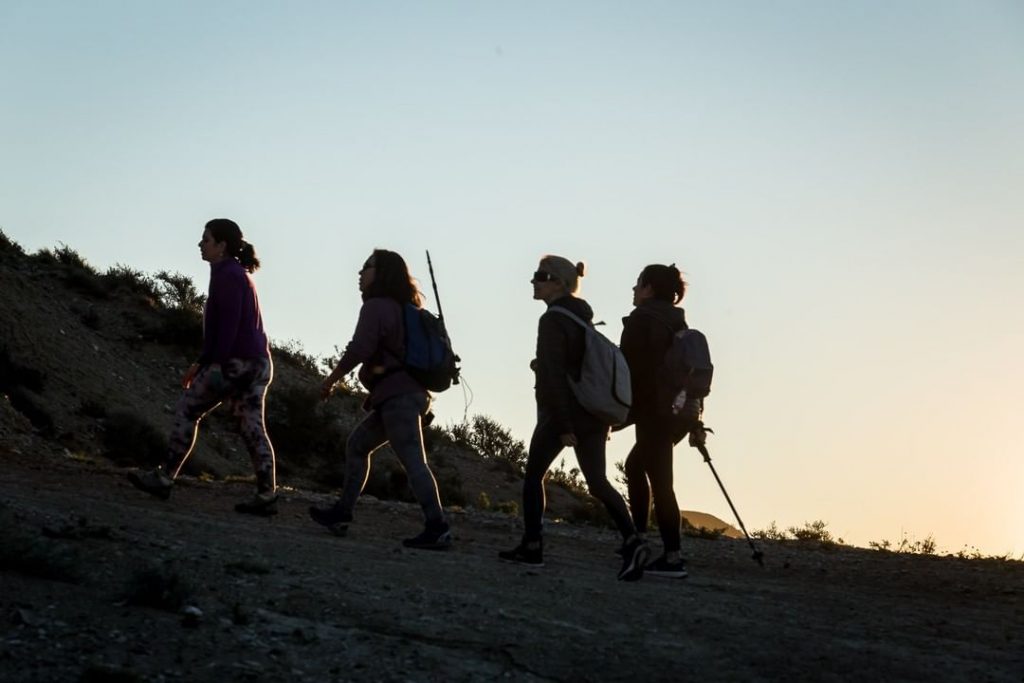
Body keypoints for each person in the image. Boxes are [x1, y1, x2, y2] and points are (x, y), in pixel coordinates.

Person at [499, 255, 649, 580]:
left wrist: (564, 424)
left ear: (559, 283)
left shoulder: (553, 320)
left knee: (533, 477)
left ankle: (532, 546)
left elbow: (555, 375)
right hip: (594, 413)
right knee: (597, 482)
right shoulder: (582, 318)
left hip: (564, 413)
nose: (534, 281)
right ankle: (633, 540)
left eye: (540, 276)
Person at [127, 219, 278, 516]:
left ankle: (164, 478)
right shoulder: (235, 273)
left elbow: (228, 325)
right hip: (258, 363)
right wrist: (201, 361)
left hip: (235, 362)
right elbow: (222, 325)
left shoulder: (228, 274)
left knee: (188, 409)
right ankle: (267, 494)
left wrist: (216, 364)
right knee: (252, 426)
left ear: (221, 245)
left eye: (206, 239)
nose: (200, 244)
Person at [309, 249, 451, 550]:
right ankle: (342, 513)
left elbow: (359, 349)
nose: (360, 273)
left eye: (367, 267)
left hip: (399, 399)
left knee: (413, 461)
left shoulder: (376, 307)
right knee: (357, 445)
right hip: (405, 396)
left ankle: (437, 527)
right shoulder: (406, 309)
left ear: (382, 272)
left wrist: (331, 379)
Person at [619, 263, 700, 578]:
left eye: (638, 283)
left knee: (662, 482)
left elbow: (631, 372)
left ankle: (672, 557)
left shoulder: (643, 320)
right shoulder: (678, 322)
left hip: (655, 411)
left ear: (649, 288)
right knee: (636, 466)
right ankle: (638, 538)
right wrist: (695, 420)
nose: (633, 289)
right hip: (679, 412)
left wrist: (619, 415)